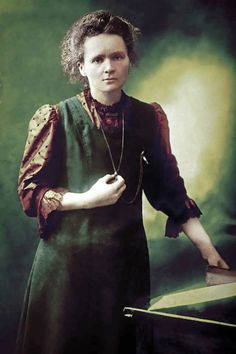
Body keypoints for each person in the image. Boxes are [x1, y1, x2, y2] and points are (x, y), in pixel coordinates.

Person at [16, 9, 229, 354]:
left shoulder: (147, 117)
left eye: (117, 56)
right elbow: (30, 194)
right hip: (66, 269)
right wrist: (87, 199)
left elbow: (169, 189)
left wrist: (208, 251)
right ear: (81, 67)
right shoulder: (56, 117)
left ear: (129, 59)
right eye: (97, 59)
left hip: (123, 267)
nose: (109, 66)